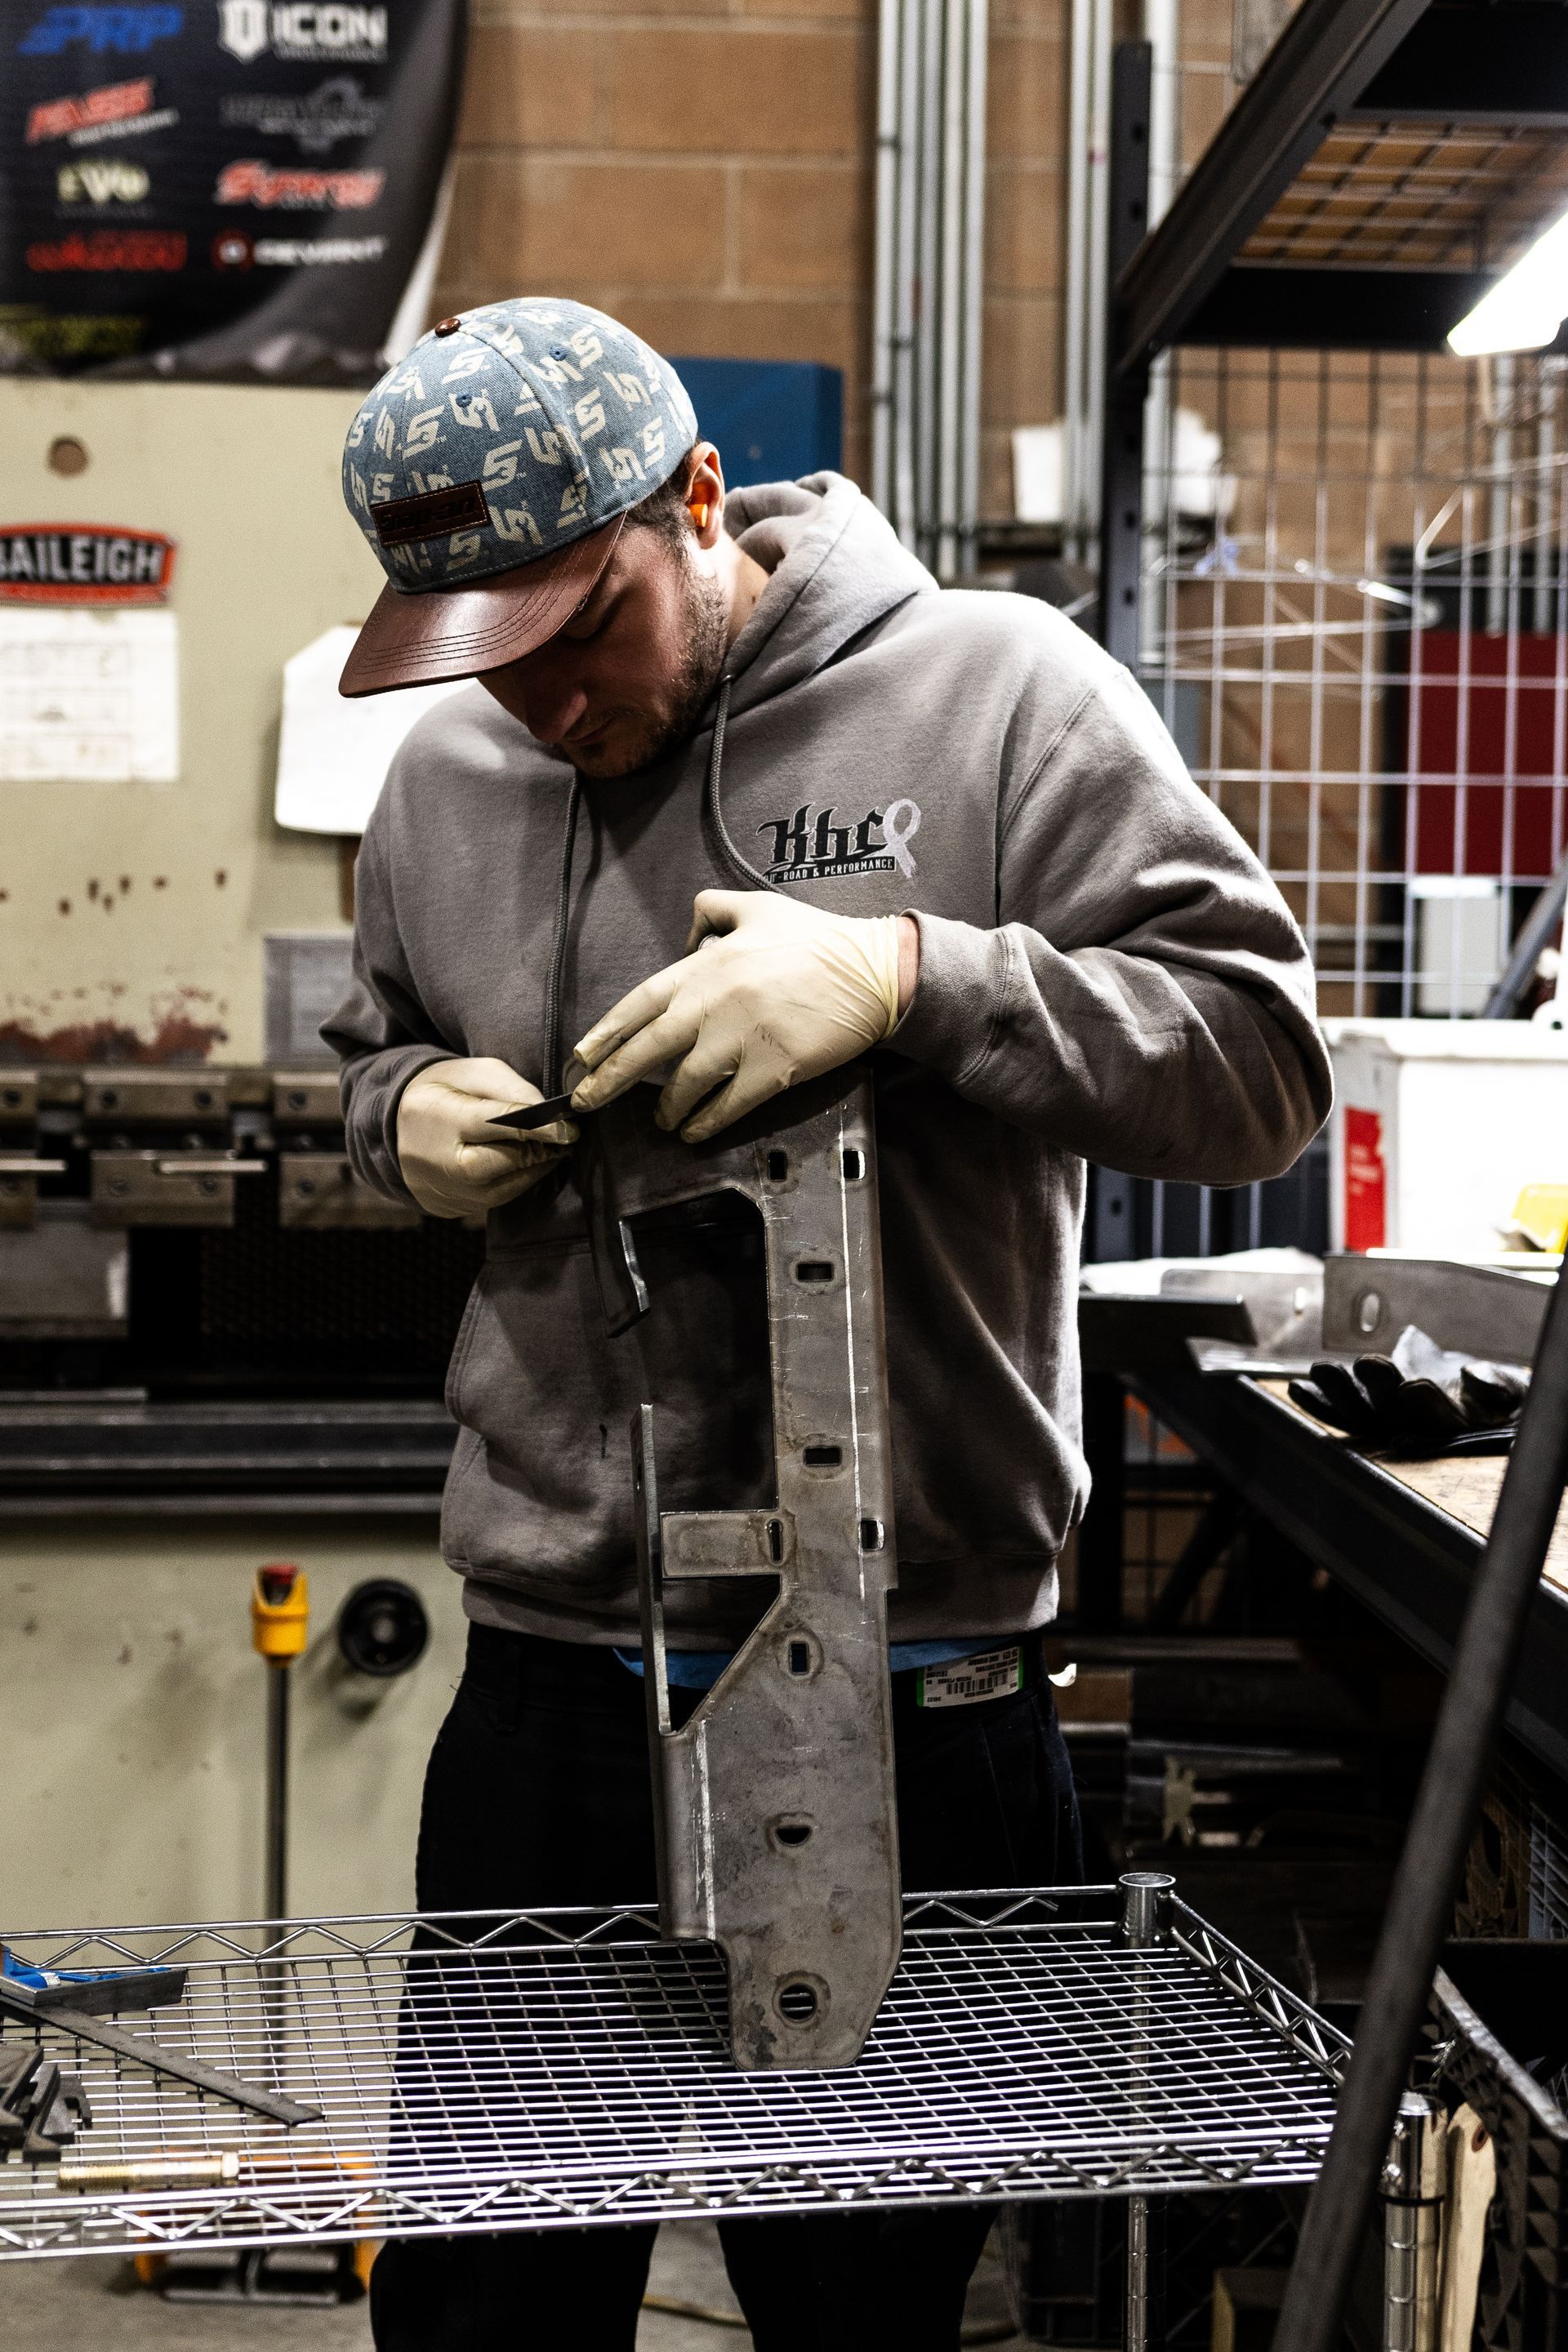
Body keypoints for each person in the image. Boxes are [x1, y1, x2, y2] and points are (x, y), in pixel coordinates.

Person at [326, 296, 1332, 2350]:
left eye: (575, 635)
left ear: (698, 500)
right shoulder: (444, 780)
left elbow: (1256, 1070)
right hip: (546, 1693)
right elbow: (370, 1055)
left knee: (866, 2311)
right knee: (480, 2317)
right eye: (478, 661)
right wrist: (393, 1116)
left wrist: (912, 980)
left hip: (917, 1697)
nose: (537, 710)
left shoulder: (995, 699)